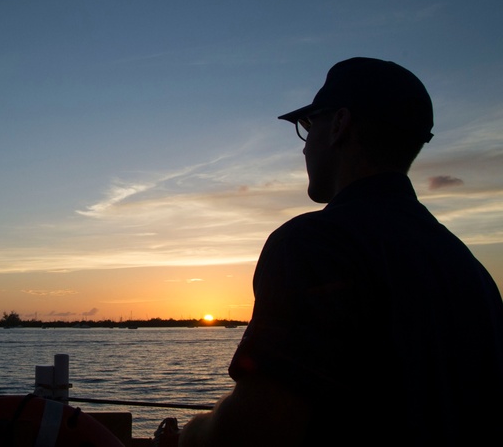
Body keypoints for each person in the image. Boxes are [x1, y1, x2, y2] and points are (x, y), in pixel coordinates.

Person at [179, 57, 503, 447]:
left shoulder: (314, 244)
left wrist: (193, 433)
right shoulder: (471, 269)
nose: (303, 149)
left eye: (308, 125)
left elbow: (256, 431)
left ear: (338, 125)